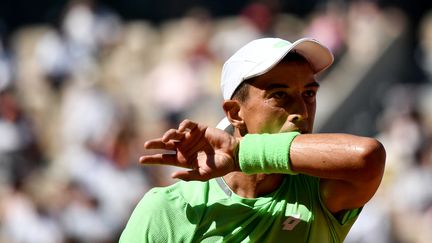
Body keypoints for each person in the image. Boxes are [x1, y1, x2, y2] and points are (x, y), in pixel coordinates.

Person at [119, 37, 386, 242]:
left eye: (309, 94)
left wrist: (239, 154)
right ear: (235, 113)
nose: (302, 112)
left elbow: (367, 155)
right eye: (280, 96)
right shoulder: (169, 208)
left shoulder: (320, 190)